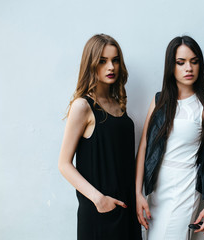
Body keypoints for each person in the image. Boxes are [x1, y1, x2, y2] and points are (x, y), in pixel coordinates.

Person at [135, 35, 204, 239]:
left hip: (184, 187)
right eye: (181, 62)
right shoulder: (159, 101)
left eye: (194, 62)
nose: (188, 68)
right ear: (171, 66)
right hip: (157, 188)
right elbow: (143, 148)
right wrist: (138, 194)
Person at [58, 34, 142, 240]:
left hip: (126, 208)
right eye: (102, 61)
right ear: (91, 64)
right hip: (99, 212)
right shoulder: (83, 106)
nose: (111, 67)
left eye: (115, 60)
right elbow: (63, 164)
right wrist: (99, 199)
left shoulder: (118, 104)